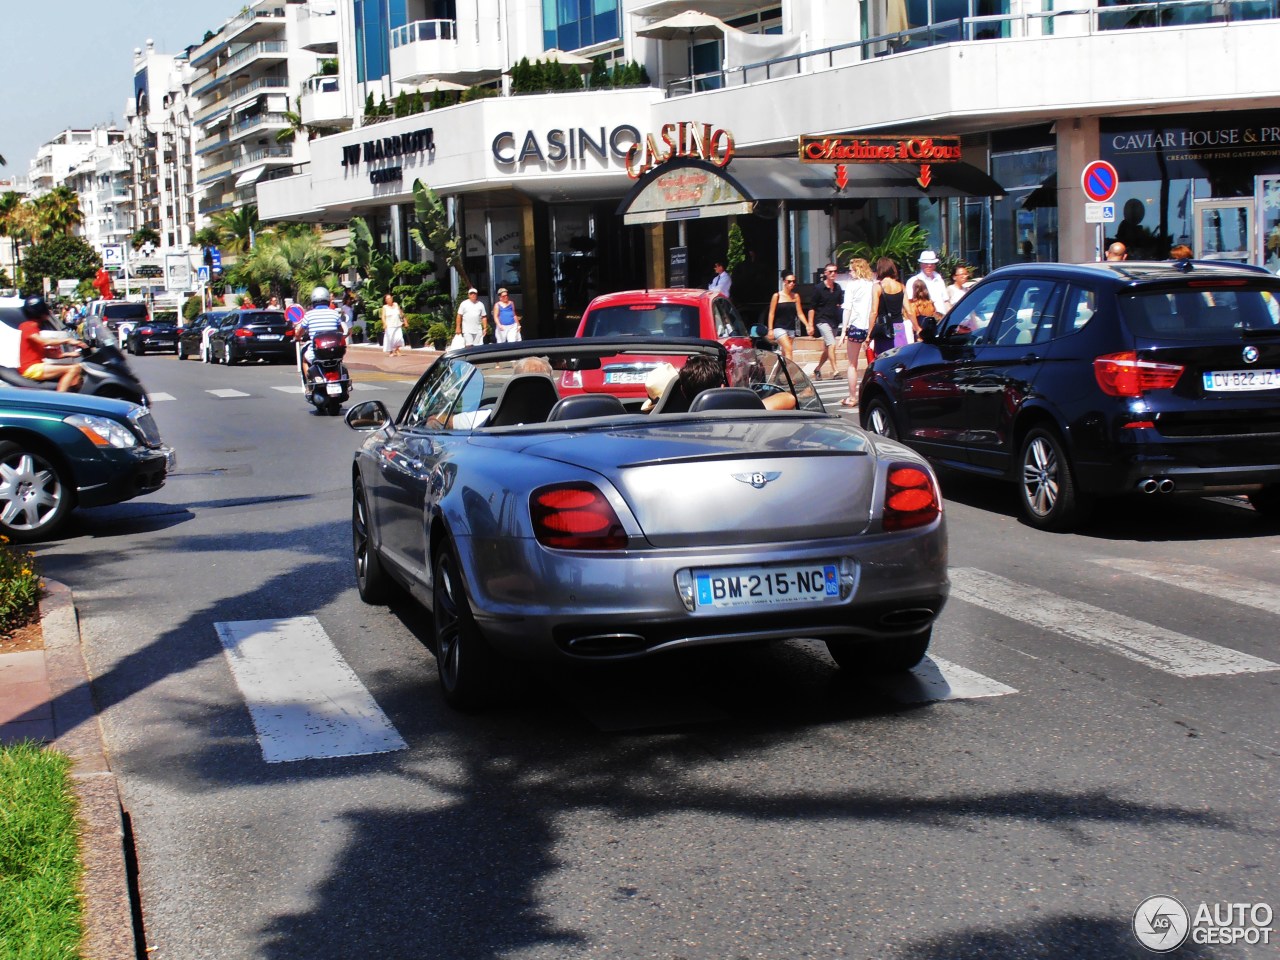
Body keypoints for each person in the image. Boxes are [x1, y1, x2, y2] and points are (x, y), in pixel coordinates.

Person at [17, 297, 84, 392]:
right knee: (74, 369)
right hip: (31, 368)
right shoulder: (28, 326)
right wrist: (68, 340)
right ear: (40, 311)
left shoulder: (33, 327)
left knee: (78, 371)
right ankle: (58, 400)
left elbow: (45, 353)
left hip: (35, 366)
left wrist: (68, 355)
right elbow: (44, 342)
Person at [839, 258, 875, 407]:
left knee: (852, 364)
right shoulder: (872, 285)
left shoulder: (852, 286)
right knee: (873, 362)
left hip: (856, 326)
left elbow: (847, 308)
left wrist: (843, 331)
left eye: (851, 270)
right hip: (870, 327)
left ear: (857, 270)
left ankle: (852, 397)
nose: (849, 273)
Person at [297, 285, 345, 378]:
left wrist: (297, 337)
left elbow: (300, 332)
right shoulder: (334, 313)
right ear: (327, 300)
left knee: (304, 360)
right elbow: (341, 330)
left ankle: (309, 382)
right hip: (334, 351)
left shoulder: (309, 315)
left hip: (317, 352)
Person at [806, 263, 844, 380]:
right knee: (831, 344)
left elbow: (840, 304)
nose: (833, 274)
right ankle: (835, 371)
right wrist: (810, 325)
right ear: (826, 273)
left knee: (828, 348)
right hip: (821, 320)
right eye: (831, 271)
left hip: (834, 321)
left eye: (835, 271)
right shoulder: (818, 288)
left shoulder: (838, 288)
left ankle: (817, 369)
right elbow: (812, 307)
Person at [868, 257, 905, 360]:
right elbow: (909, 311)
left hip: (884, 328)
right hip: (899, 326)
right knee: (899, 358)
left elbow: (874, 312)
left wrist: (870, 333)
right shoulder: (901, 286)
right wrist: (917, 327)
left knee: (883, 359)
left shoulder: (877, 287)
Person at [765, 272, 804, 361]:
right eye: (789, 281)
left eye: (794, 281)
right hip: (779, 328)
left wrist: (808, 325)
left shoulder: (795, 296)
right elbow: (771, 313)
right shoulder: (777, 296)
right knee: (789, 350)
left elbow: (800, 313)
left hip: (791, 328)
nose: (792, 283)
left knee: (785, 353)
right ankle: (790, 373)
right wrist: (770, 330)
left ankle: (781, 372)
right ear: (784, 282)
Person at [907, 250, 950, 317]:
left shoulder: (939, 278)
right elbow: (910, 305)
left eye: (932, 263)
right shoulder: (913, 281)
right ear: (921, 264)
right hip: (925, 321)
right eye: (926, 263)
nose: (929, 266)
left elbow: (946, 301)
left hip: (942, 320)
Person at [905, 279, 938, 343]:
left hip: (920, 334)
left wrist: (918, 330)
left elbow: (914, 325)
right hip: (931, 333)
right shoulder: (931, 303)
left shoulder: (913, 305)